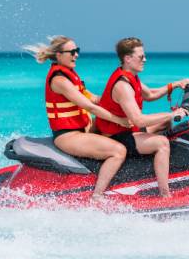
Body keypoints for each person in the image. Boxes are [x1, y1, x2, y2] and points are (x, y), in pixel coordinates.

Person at [24, 36, 131, 202]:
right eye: (72, 52)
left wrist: (125, 101)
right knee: (118, 151)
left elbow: (95, 99)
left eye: (77, 50)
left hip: (83, 129)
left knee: (122, 131)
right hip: (68, 136)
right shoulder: (59, 81)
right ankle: (97, 196)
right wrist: (119, 120)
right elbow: (90, 107)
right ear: (59, 55)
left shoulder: (71, 76)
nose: (76, 55)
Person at [96, 37, 189, 198]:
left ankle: (160, 166)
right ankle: (165, 195)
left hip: (127, 129)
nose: (145, 60)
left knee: (165, 123)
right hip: (116, 136)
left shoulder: (130, 76)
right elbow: (139, 120)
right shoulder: (122, 86)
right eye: (141, 57)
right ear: (128, 58)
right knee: (162, 143)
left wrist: (175, 84)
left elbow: (150, 94)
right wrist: (172, 114)